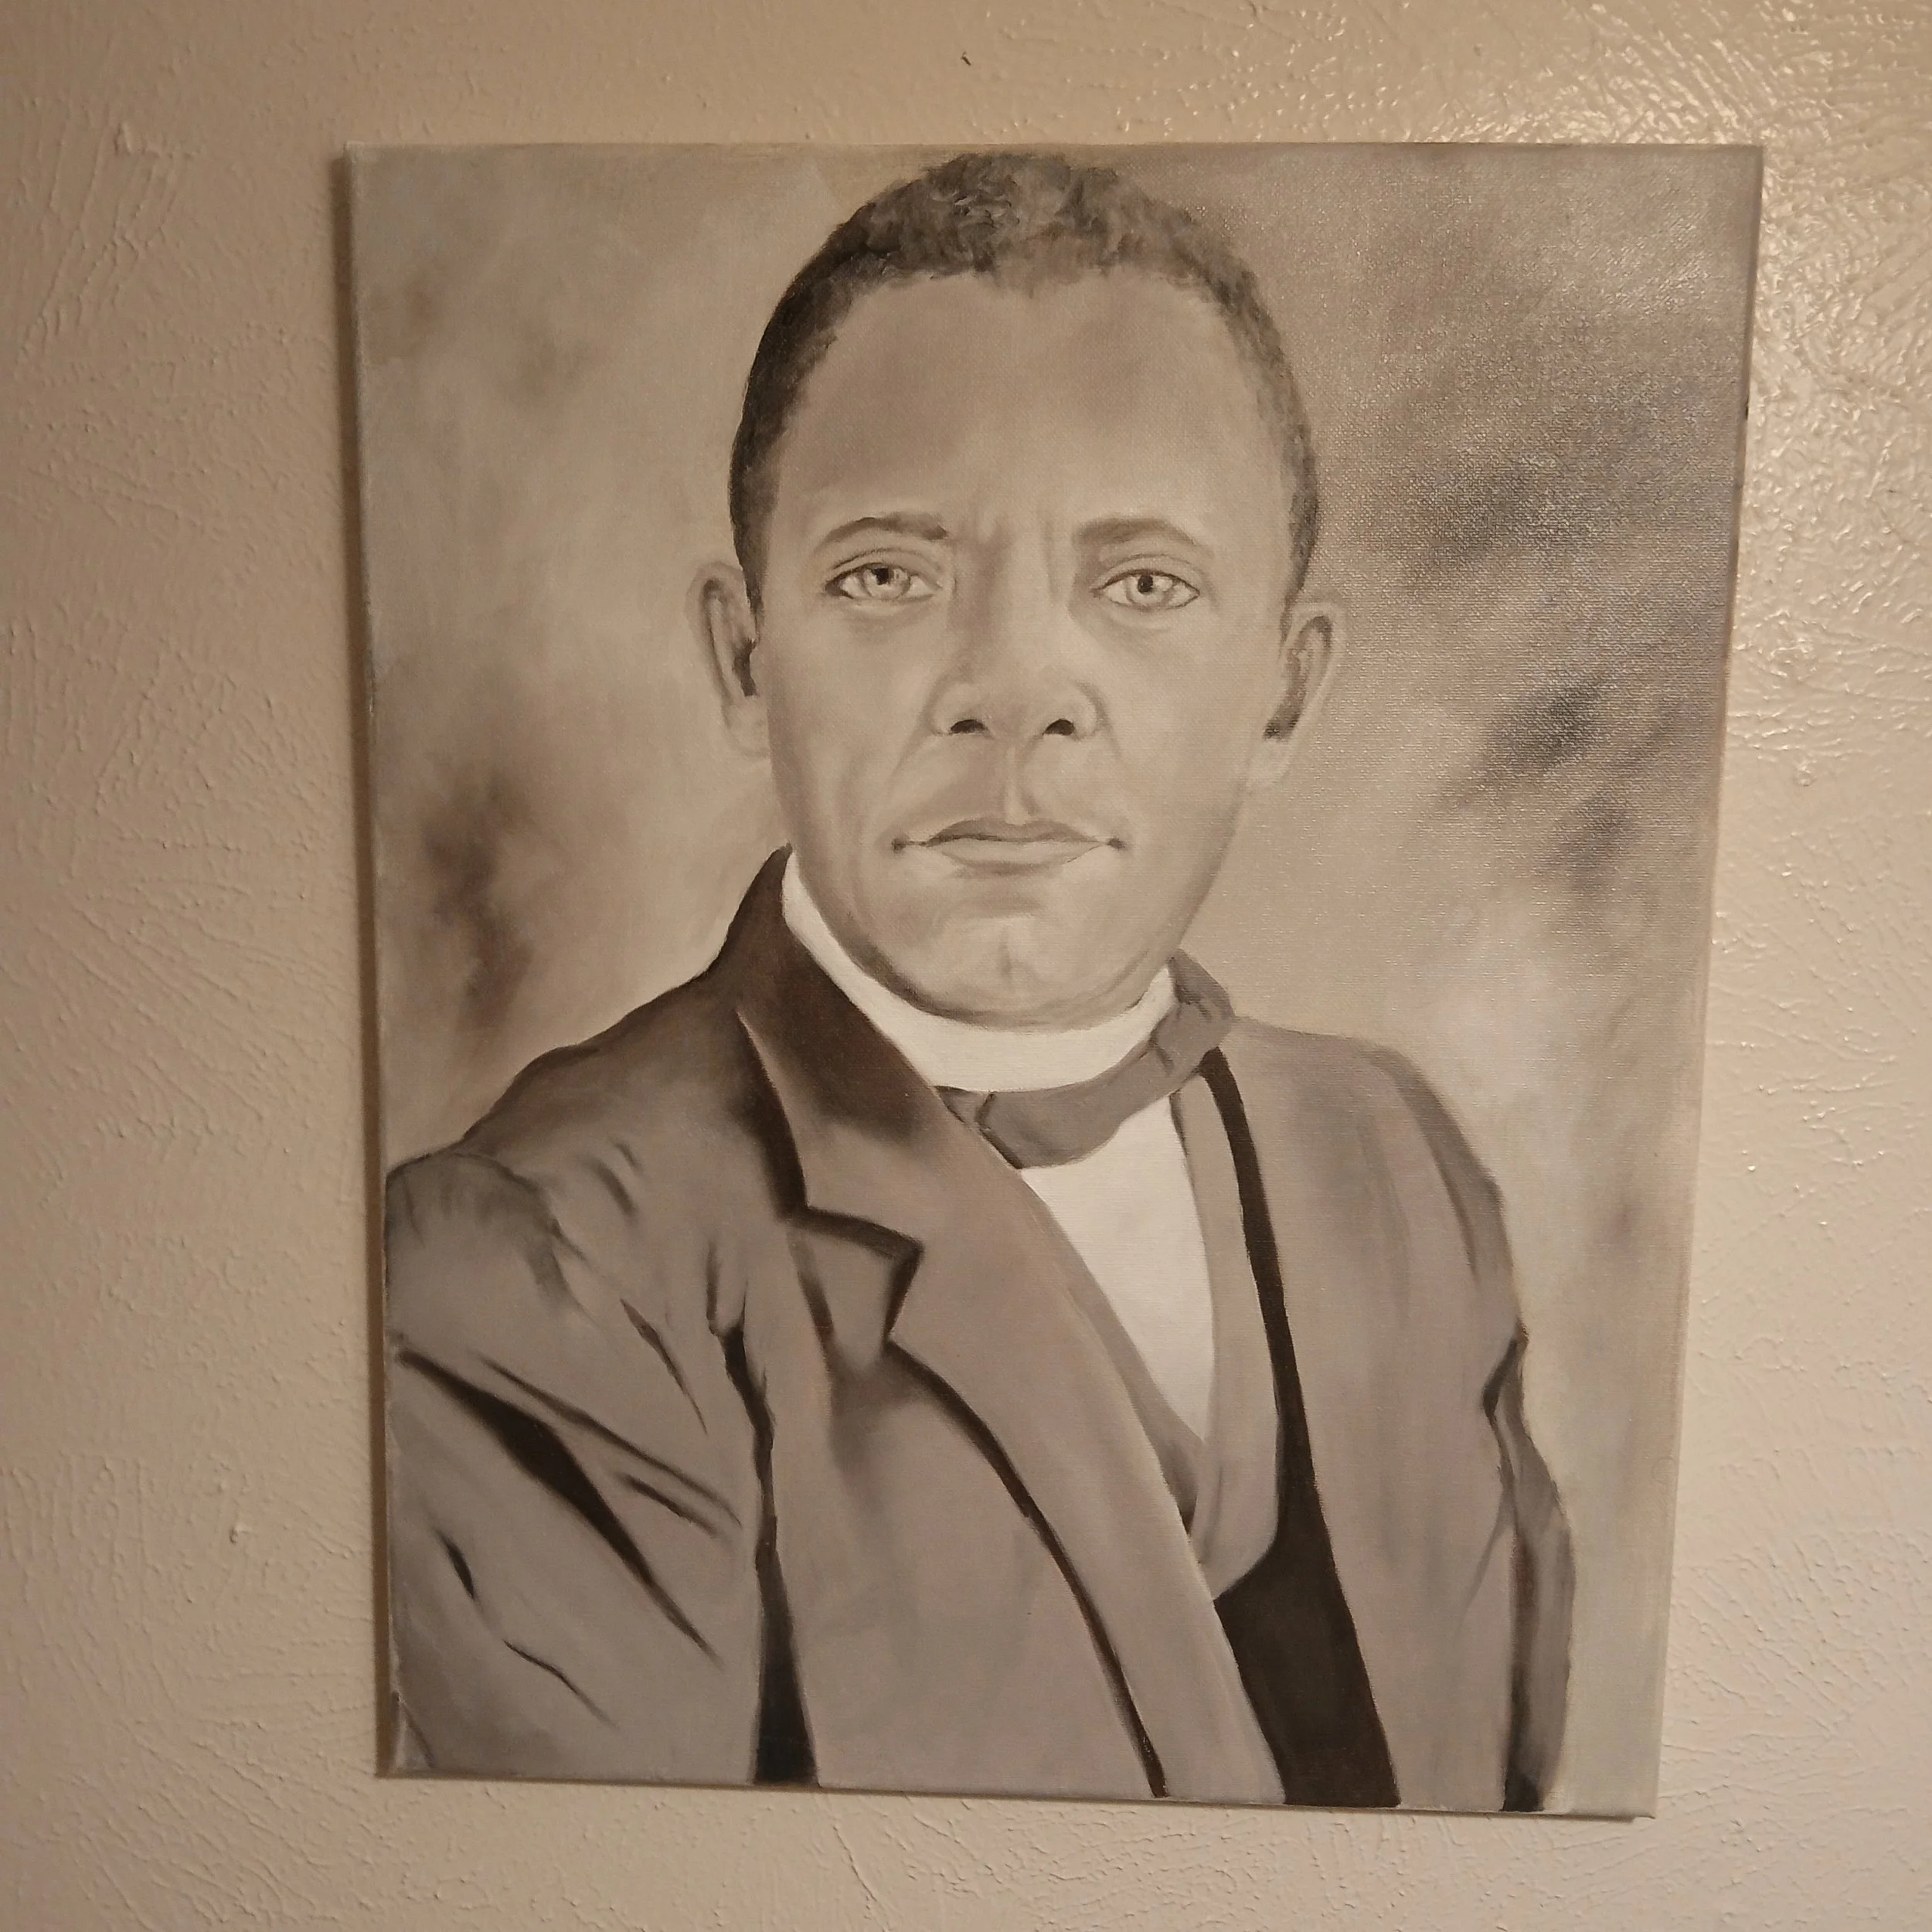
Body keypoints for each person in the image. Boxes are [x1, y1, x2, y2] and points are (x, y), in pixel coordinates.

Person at [383, 151, 1572, 1810]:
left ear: (1285, 695)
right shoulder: (540, 1263)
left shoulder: (1399, 1170)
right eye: (888, 574)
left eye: (1140, 583)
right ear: (745, 661)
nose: (1014, 688)